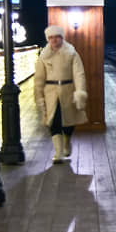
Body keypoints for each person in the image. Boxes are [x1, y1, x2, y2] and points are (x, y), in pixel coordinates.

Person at [34, 25, 88, 163]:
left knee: (69, 123)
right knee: (54, 121)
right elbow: (39, 77)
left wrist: (80, 91)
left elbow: (79, 73)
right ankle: (58, 153)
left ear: (61, 38)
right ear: (48, 39)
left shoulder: (71, 53)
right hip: (50, 93)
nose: (54, 40)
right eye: (51, 38)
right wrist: (39, 95)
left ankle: (67, 140)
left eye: (56, 37)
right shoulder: (44, 56)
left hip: (68, 90)